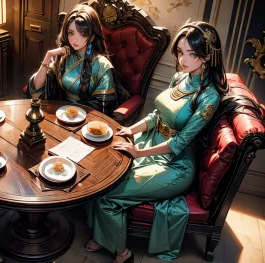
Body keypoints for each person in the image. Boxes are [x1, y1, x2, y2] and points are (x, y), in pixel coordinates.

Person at [85, 21, 229, 262]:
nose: (183, 60)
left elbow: (180, 143)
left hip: (174, 165)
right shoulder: (180, 77)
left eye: (192, 54)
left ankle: (121, 252)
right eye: (180, 52)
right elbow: (155, 116)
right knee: (101, 175)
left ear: (206, 56)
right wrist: (128, 130)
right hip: (149, 141)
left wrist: (137, 153)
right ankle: (103, 235)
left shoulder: (209, 97)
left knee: (110, 194)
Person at [25, 4, 129, 115]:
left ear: (92, 37)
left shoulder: (102, 65)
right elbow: (36, 88)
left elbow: (103, 105)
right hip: (61, 114)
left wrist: (74, 113)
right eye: (71, 33)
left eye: (82, 34)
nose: (75, 39)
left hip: (86, 119)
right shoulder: (64, 56)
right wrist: (48, 56)